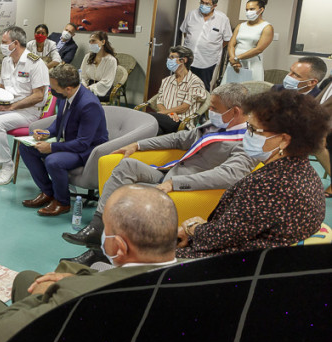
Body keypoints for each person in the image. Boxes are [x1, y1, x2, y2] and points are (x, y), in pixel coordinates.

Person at [0, 185, 177, 342]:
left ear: (119, 246)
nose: (100, 234)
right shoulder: (197, 276)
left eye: (104, 227)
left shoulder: (76, 293)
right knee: (26, 278)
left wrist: (44, 296)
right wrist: (81, 277)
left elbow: (3, 335)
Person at [63, 83, 255, 266]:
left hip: (185, 189)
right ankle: (99, 226)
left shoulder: (247, 142)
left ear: (235, 111)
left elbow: (228, 175)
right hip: (168, 173)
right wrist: (138, 144)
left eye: (214, 107)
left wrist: (176, 183)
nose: (210, 111)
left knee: (130, 205)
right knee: (127, 166)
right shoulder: (215, 125)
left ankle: (102, 256)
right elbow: (180, 139)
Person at [176, 89, 327, 259]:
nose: (247, 135)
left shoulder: (268, 185)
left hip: (232, 263)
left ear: (284, 140)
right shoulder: (305, 172)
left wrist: (192, 227)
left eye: (254, 130)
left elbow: (217, 238)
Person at [19, 64, 109, 217]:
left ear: (68, 88)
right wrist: (47, 132)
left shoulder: (89, 104)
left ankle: (62, 202)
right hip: (72, 143)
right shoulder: (64, 97)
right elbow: (59, 122)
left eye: (54, 87)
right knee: (25, 147)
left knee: (54, 161)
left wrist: (52, 147)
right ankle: (48, 193)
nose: (51, 90)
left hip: (89, 150)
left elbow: (83, 143)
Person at [0, 26, 49, 186]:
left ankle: (7, 166)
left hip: (28, 112)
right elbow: (1, 88)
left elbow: (39, 95)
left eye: (4, 42)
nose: (1, 45)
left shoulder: (35, 63)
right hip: (8, 108)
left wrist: (12, 107)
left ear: (15, 43)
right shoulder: (7, 61)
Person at [147, 45, 207, 135]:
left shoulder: (195, 82)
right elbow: (159, 102)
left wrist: (164, 113)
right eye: (169, 57)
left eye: (172, 57)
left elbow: (184, 107)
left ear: (183, 60)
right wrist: (169, 114)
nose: (168, 60)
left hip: (182, 122)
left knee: (148, 117)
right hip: (165, 119)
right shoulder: (166, 80)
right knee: (151, 132)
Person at [180, 0, 233, 91]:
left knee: (202, 88)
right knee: (185, 86)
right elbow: (185, 32)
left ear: (215, 5)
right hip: (188, 59)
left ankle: (202, 107)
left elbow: (226, 39)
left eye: (207, 4)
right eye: (202, 2)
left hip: (207, 61)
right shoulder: (192, 14)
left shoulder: (222, 19)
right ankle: (184, 106)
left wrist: (212, 48)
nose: (203, 5)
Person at [223, 0, 273, 83]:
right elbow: (231, 44)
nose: (248, 12)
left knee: (249, 91)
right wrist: (232, 59)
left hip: (252, 64)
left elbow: (259, 49)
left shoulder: (267, 27)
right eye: (247, 10)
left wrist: (237, 58)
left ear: (261, 10)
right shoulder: (241, 26)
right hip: (234, 63)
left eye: (252, 9)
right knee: (229, 90)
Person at [79, 31, 118, 103]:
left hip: (103, 90)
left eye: (93, 41)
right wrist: (83, 86)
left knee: (81, 98)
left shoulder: (111, 60)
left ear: (103, 42)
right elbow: (82, 75)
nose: (91, 43)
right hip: (88, 87)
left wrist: (89, 89)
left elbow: (106, 82)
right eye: (90, 41)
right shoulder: (88, 56)